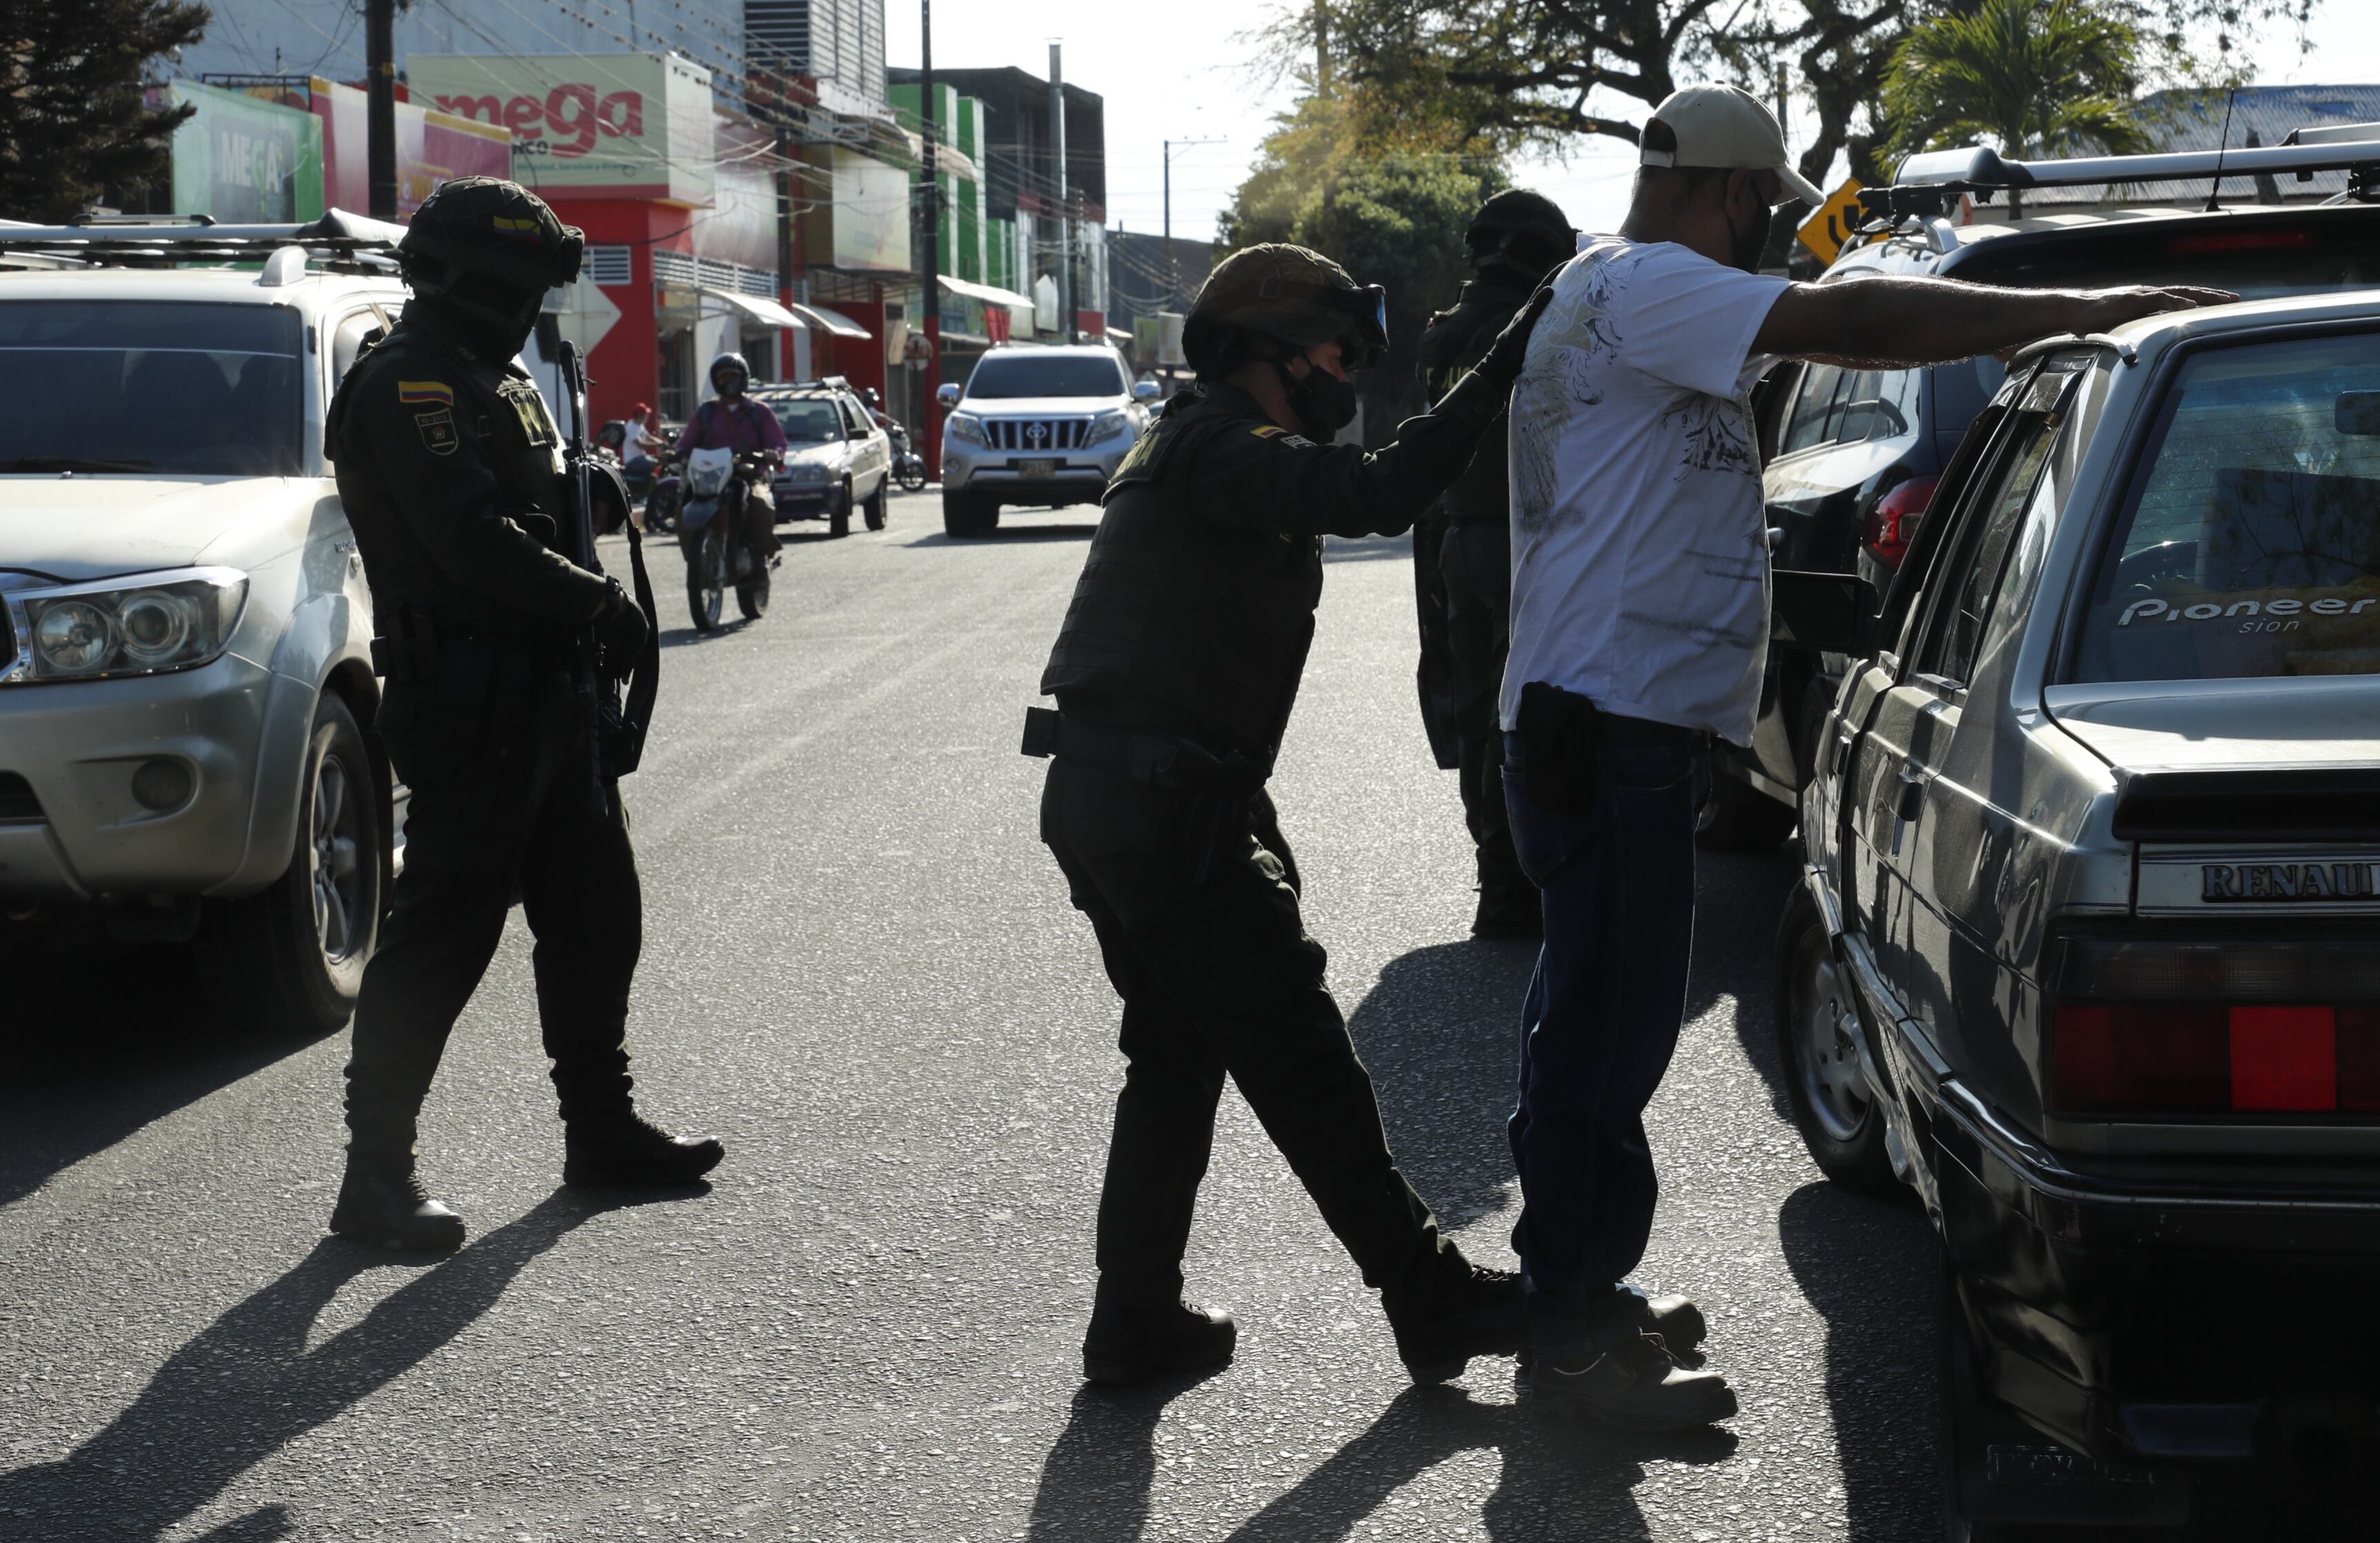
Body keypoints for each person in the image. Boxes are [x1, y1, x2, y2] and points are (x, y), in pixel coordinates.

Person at [1499, 83, 2234, 1426]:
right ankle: (1567, 1337)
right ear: (1728, 193)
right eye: (1764, 213)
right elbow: (1859, 324)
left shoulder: (1624, 293)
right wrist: (2080, 309)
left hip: (1611, 722)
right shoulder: (1646, 284)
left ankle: (1583, 1292)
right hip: (1608, 728)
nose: (1772, 239)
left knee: (1603, 1022)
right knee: (1602, 1031)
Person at [1029, 242, 1609, 1390]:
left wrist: (1246, 813)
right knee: (1302, 1057)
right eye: (1338, 356)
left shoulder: (1202, 443)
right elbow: (1377, 493)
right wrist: (1503, 363)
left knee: (1176, 1055)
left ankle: (1135, 1319)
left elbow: (1185, 670)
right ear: (1276, 349)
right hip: (1150, 806)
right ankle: (1429, 1297)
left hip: (1130, 796)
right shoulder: (1218, 444)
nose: (1347, 379)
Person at [323, 176, 724, 1253]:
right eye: (520, 289)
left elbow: (533, 512)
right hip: (471, 702)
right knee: (441, 940)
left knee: (596, 916)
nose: (530, 311)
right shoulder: (408, 383)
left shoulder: (491, 379)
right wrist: (597, 602)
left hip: (551, 696)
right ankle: (375, 1178)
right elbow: (470, 540)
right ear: (471, 282)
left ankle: (600, 1130)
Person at [1416, 190, 1577, 939]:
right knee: (1519, 712)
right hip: (1525, 542)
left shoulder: (1442, 333)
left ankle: (1495, 870)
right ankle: (1515, 879)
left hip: (1456, 537)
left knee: (1479, 707)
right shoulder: (1539, 326)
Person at [674, 352, 786, 566]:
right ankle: (696, 563)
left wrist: (774, 454)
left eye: (733, 376)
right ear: (716, 381)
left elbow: (778, 443)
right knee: (683, 507)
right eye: (723, 377)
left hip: (748, 476)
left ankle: (760, 564)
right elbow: (686, 442)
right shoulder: (706, 411)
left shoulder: (759, 411)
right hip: (711, 478)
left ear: (744, 379)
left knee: (760, 505)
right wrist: (676, 453)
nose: (729, 382)